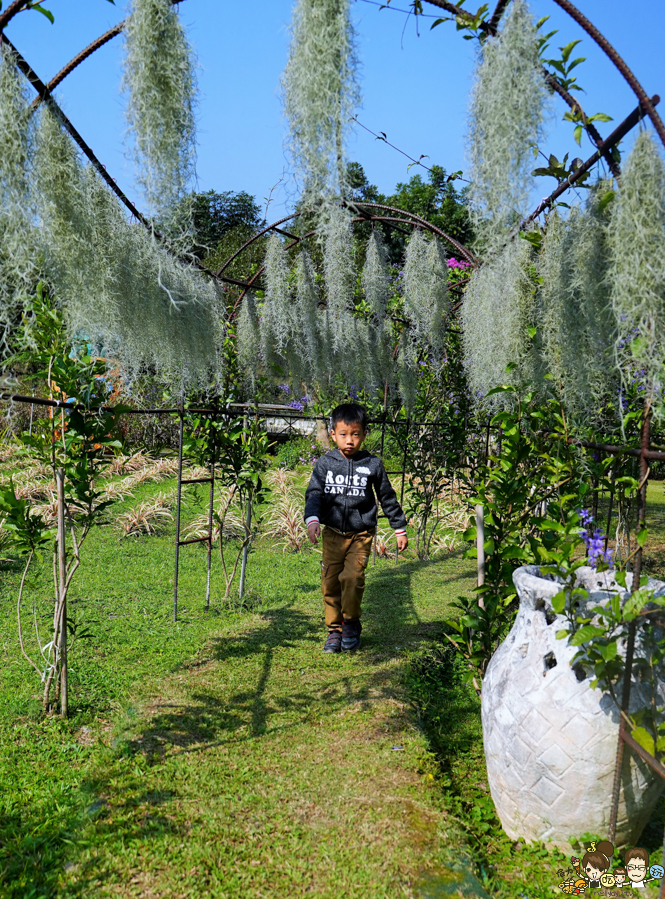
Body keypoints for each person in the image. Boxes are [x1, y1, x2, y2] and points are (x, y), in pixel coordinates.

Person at [304, 402, 408, 653]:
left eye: (355, 434)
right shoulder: (325, 464)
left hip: (361, 534)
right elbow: (314, 493)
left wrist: (399, 528)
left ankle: (350, 623)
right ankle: (334, 630)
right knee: (330, 581)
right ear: (333, 435)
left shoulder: (372, 464)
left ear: (364, 434)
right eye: (343, 434)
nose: (349, 440)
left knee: (352, 578)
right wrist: (313, 520)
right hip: (332, 534)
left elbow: (387, 496)